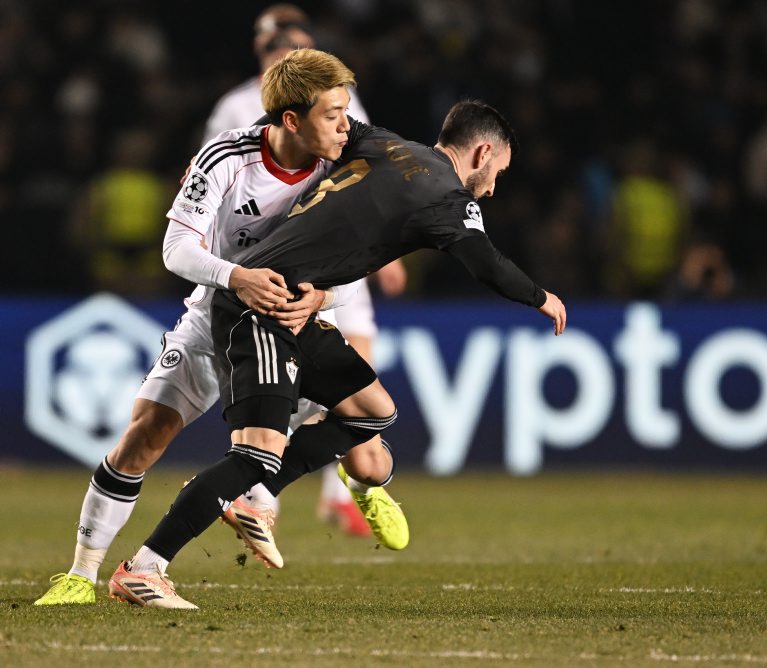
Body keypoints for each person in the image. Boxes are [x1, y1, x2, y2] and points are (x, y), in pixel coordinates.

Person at [108, 70, 566, 609]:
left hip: (298, 307)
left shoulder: (386, 143)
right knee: (257, 454)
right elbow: (486, 264)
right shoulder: (446, 195)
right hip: (261, 305)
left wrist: (228, 145)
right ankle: (145, 567)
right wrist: (541, 297)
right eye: (498, 171)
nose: (493, 187)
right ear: (482, 151)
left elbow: (287, 124)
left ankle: (254, 495)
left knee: (372, 412)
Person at [34, 48, 407, 607]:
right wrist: (238, 277)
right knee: (144, 436)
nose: (345, 125)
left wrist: (323, 296)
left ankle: (303, 490)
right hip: (219, 313)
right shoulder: (226, 158)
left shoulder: (347, 165)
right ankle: (80, 576)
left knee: (372, 451)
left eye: (345, 110)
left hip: (296, 324)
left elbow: (358, 268)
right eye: (332, 113)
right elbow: (176, 249)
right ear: (290, 120)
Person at [206, 2, 407, 536]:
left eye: (294, 42)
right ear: (261, 50)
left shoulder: (335, 94)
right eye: (275, 44)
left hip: (335, 259)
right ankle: (262, 491)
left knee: (360, 375)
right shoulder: (236, 107)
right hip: (268, 268)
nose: (285, 51)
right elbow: (212, 173)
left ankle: (346, 491)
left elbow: (366, 166)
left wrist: (388, 253)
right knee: (274, 389)